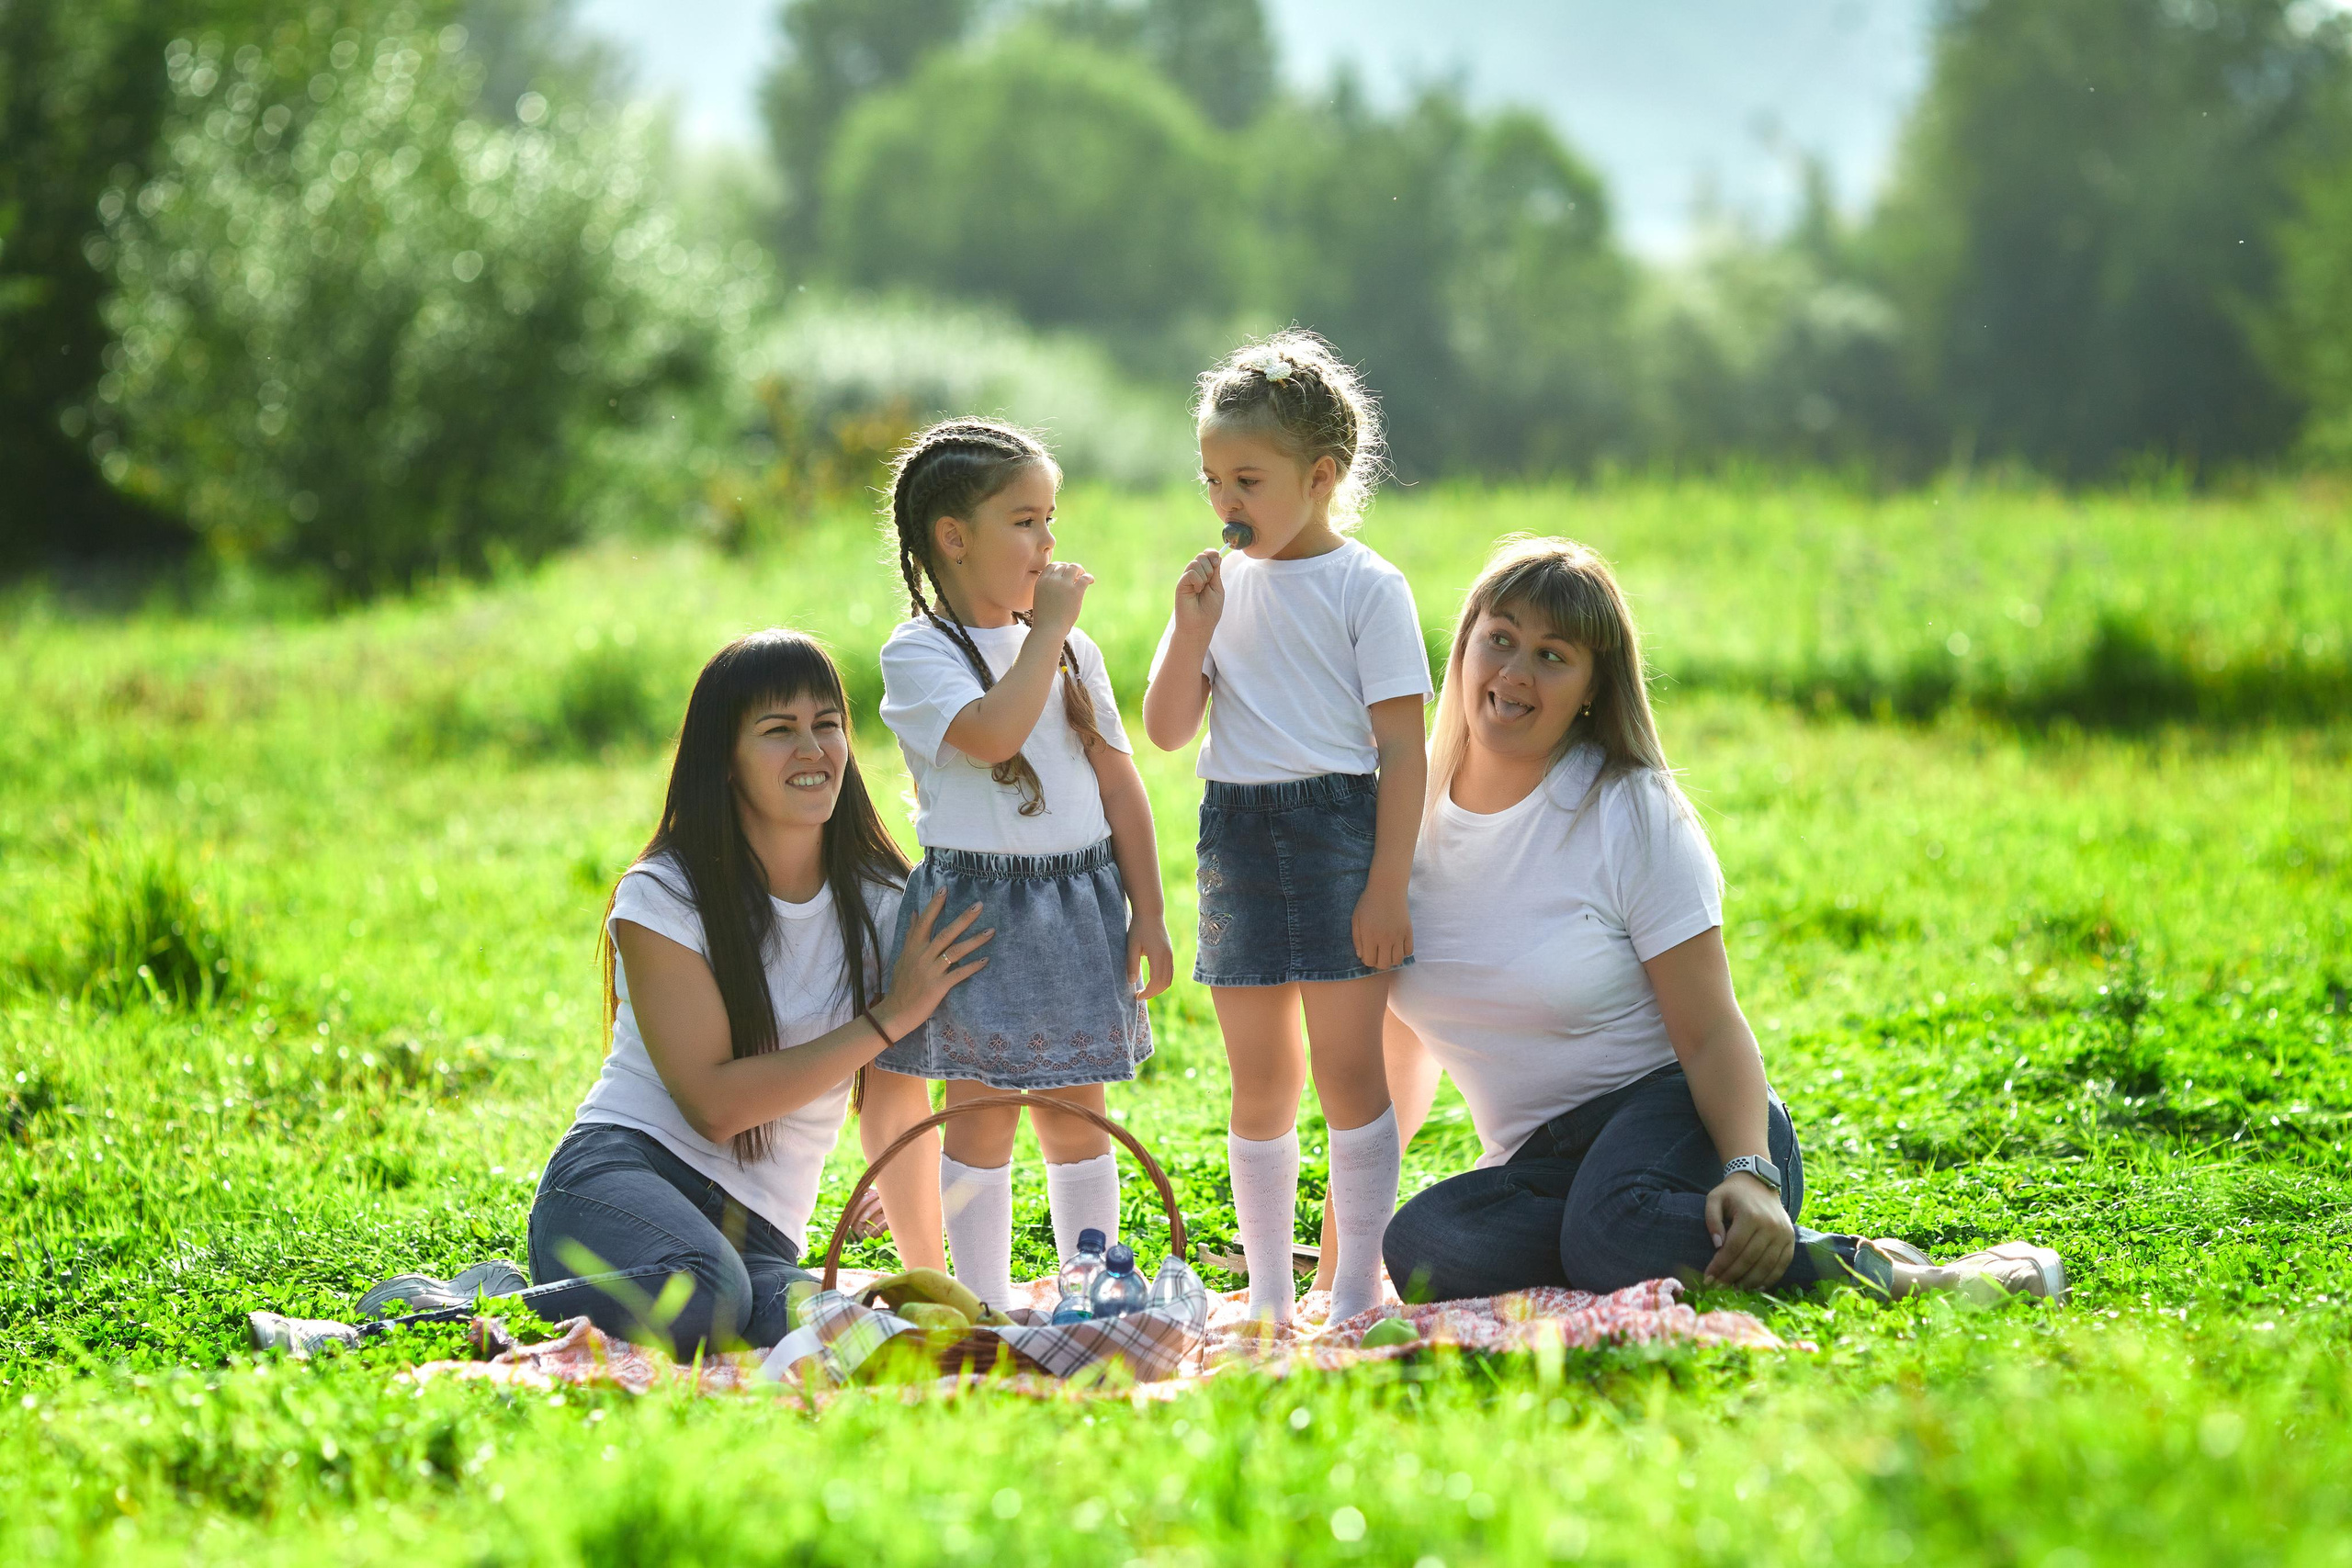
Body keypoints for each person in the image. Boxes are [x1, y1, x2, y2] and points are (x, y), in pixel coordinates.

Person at [1380, 536, 2067, 1304]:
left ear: (1592, 688)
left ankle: (1924, 1279)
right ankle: (1673, 1247)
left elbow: (1711, 1029)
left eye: (1552, 655)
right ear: (1464, 643)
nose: (1514, 673)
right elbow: (1394, 1057)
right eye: (1501, 638)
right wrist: (1341, 1274)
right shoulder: (1401, 817)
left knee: (1610, 1230)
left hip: (1683, 1117)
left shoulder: (1629, 810)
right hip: (1547, 1163)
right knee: (1424, 1244)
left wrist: (1751, 1171)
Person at [350, 631, 991, 1355]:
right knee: (707, 1292)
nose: (813, 749)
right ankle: (418, 1315)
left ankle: (534, 1295)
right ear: (725, 759)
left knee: (844, 1330)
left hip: (758, 1240)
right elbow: (713, 1106)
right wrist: (887, 1017)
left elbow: (895, 1110)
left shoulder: (883, 901)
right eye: (779, 730)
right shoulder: (663, 894)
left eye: (827, 723)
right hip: (617, 1180)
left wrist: (931, 1288)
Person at [1141, 332, 1431, 1325]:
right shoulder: (1221, 592)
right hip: (1237, 839)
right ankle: (1267, 1296)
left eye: (1248, 481)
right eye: (1212, 480)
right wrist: (1189, 630)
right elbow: (1168, 729)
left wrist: (1387, 884)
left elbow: (1404, 752)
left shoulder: (1369, 587)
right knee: (1259, 1079)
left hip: (1340, 835)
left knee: (1349, 1074)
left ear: (1321, 478)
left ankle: (1351, 1291)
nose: (1225, 501)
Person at [867, 418, 1175, 1315]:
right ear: (953, 539)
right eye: (1025, 522)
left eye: (1050, 521)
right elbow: (993, 734)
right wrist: (1049, 634)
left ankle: (1092, 1287)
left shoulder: (1074, 650)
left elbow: (1120, 786)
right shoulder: (919, 653)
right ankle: (985, 1299)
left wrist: (1150, 911)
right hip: (978, 916)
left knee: (1078, 1111)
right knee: (980, 1113)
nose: (1047, 544)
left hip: (1078, 901)